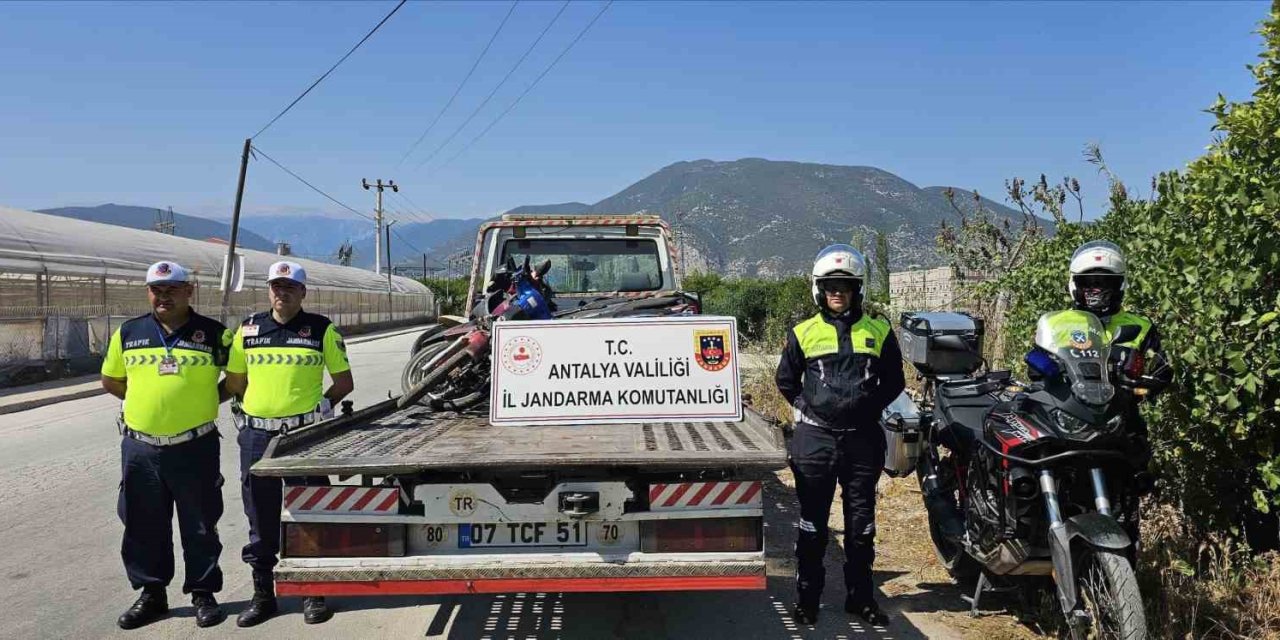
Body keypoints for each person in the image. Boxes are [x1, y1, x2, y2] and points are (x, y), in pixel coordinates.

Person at [775, 244, 904, 626]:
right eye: (830, 286)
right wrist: (810, 408)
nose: (837, 292)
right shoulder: (803, 332)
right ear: (819, 289)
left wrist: (868, 408)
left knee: (861, 527)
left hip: (862, 441)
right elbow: (785, 380)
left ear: (857, 289)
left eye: (845, 286)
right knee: (813, 524)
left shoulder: (879, 330)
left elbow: (894, 380)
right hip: (816, 442)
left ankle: (860, 598)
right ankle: (807, 599)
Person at [100, 261, 232, 629]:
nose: (164, 296)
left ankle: (203, 593)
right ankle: (151, 593)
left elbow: (237, 379)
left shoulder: (214, 334)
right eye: (157, 290)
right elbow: (111, 379)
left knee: (201, 522)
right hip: (141, 449)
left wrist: (204, 400)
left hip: (195, 446)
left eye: (172, 289)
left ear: (189, 291)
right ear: (149, 293)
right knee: (142, 523)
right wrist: (146, 401)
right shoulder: (129, 332)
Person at [224, 261, 354, 627]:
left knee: (309, 514)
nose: (282, 293)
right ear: (268, 290)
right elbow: (235, 381)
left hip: (303, 437)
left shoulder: (321, 330)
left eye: (289, 287)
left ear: (303, 293)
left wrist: (319, 410)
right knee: (259, 518)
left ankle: (313, 593)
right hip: (256, 437)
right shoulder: (248, 330)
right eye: (276, 286)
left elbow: (344, 382)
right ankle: (263, 594)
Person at [1066, 240, 1171, 536]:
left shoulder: (1139, 326)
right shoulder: (1061, 323)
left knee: (1126, 501)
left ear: (1119, 285)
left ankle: (1124, 570)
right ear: (1075, 285)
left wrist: (1152, 380)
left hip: (1121, 423)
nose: (1096, 290)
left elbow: (1161, 365)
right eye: (1089, 282)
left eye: (1105, 282)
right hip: (1070, 416)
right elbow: (1040, 357)